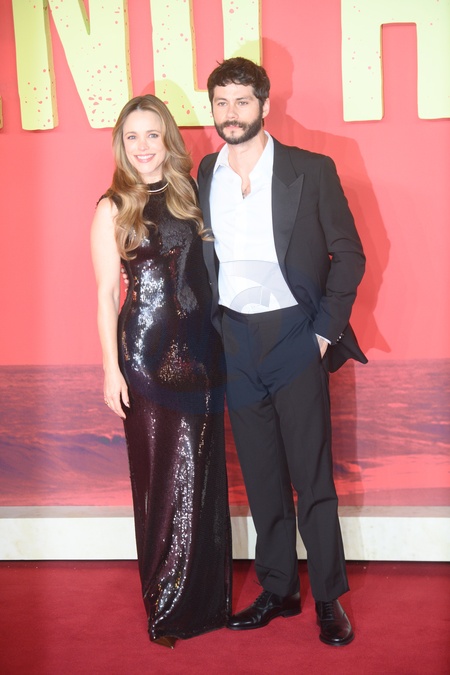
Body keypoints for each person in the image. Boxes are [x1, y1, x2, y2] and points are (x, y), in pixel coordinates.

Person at [197, 57, 367, 646]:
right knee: (262, 475)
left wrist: (322, 333)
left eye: (242, 101)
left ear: (265, 106)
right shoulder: (206, 172)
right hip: (235, 340)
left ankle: (329, 597)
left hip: (295, 334)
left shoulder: (310, 170)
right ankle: (279, 589)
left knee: (311, 476)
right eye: (221, 102)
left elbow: (349, 255)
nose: (231, 113)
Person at [90, 94, 232, 648]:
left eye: (152, 134)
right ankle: (165, 604)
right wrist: (111, 369)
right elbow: (107, 294)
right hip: (145, 360)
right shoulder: (112, 206)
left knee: (201, 474)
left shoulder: (191, 195)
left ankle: (206, 602)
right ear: (121, 146)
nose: (143, 146)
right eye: (133, 137)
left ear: (167, 138)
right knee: (158, 478)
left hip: (202, 356)